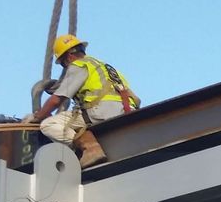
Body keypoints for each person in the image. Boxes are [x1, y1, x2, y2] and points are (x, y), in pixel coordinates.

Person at [32, 35, 140, 163]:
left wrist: (39, 117)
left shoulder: (79, 66)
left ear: (68, 57)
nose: (65, 67)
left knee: (48, 124)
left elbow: (57, 100)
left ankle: (88, 148)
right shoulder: (104, 66)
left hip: (100, 111)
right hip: (127, 110)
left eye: (63, 64)